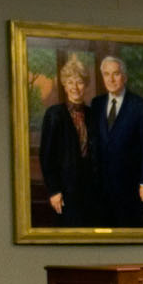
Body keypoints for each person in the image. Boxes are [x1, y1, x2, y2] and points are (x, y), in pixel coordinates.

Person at [91, 54, 143, 228]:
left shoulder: (140, 106)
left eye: (116, 74)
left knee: (129, 229)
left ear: (125, 77)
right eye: (106, 74)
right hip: (101, 185)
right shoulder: (96, 104)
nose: (111, 79)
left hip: (130, 184)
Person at [38, 55, 100, 228]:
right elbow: (46, 156)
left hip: (90, 188)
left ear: (86, 85)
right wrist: (54, 191)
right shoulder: (54, 114)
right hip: (65, 189)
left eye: (79, 82)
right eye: (70, 82)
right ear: (64, 85)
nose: (75, 87)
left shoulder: (93, 114)